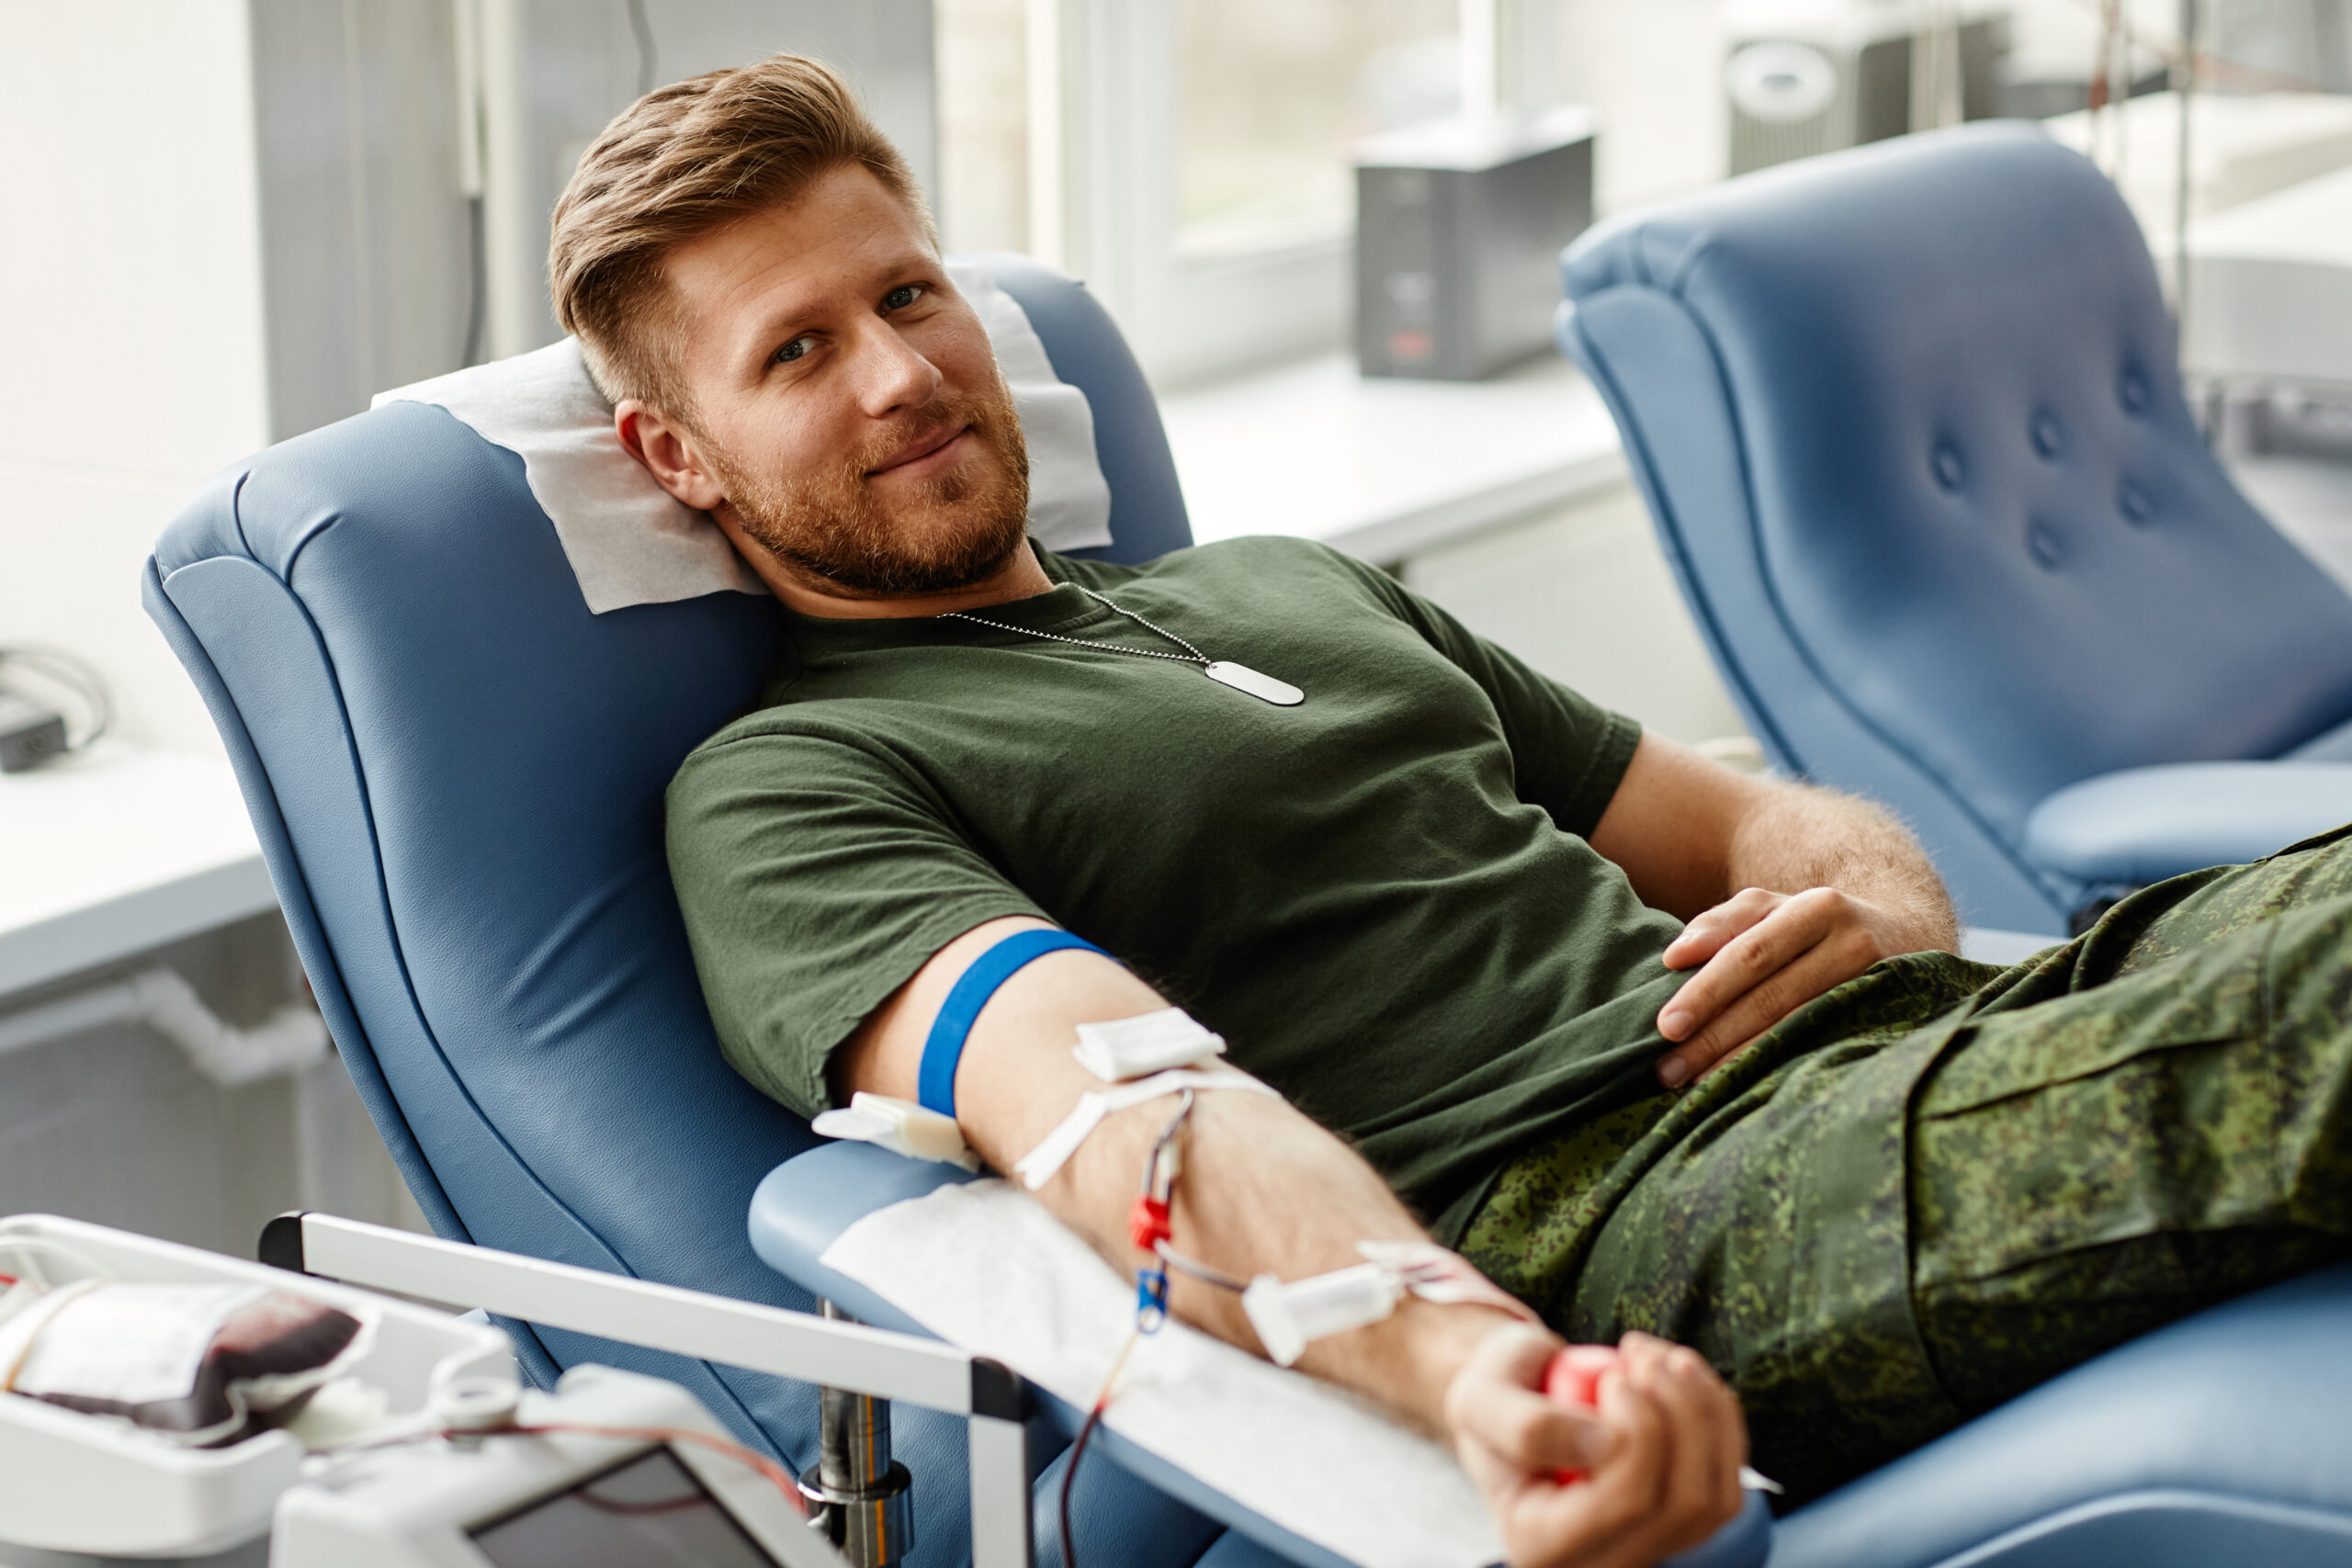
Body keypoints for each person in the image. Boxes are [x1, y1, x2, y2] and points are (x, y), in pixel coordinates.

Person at [548, 54, 2352, 1568]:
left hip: (1904, 1035)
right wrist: (1473, 1360)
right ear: (675, 457)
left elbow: (1752, 822)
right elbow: (1114, 1104)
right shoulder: (792, 785)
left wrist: (1879, 903)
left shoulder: (1279, 583)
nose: (898, 371)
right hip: (1625, 1214)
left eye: (908, 293)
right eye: (795, 352)